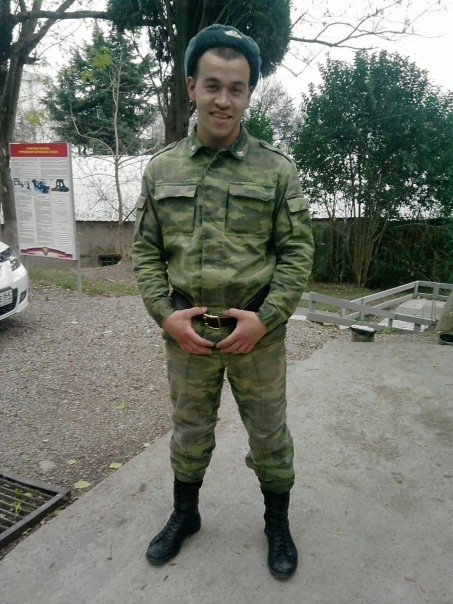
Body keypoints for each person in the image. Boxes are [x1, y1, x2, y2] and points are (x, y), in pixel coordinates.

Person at [132, 24, 314, 580]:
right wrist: (166, 316)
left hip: (258, 333)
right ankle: (185, 514)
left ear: (250, 94)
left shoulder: (277, 170)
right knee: (189, 430)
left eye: (236, 88)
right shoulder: (162, 169)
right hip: (188, 332)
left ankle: (276, 523)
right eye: (212, 85)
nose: (223, 100)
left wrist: (268, 318)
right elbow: (145, 251)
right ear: (191, 87)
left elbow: (297, 253)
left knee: (269, 434)